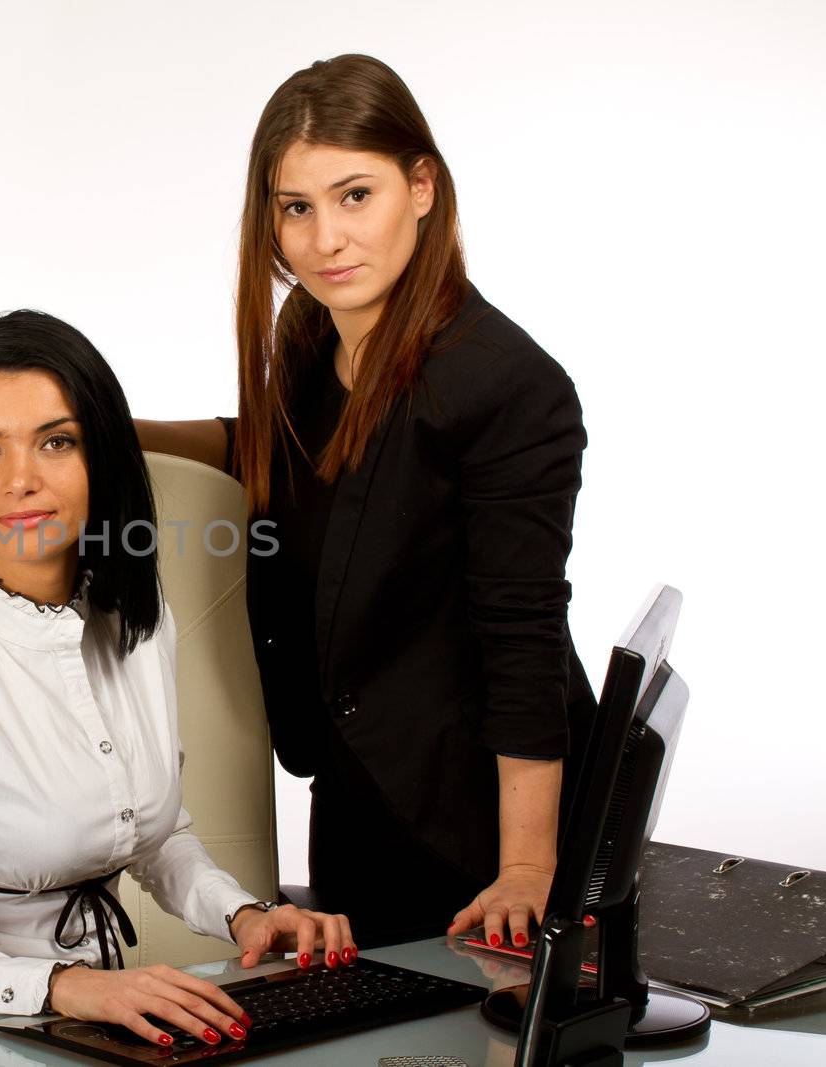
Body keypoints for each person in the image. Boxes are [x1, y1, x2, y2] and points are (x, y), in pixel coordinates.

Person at [136, 54, 598, 951]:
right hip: (354, 787)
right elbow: (272, 447)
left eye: (356, 196)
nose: (326, 239)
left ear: (421, 187)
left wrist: (529, 866)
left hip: (475, 826)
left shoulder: (508, 387)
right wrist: (106, 425)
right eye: (296, 208)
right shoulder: (309, 330)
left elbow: (524, 635)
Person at [0, 310, 356, 1050]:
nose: (22, 479)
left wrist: (247, 915)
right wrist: (57, 984)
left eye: (56, 441)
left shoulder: (138, 618)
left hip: (111, 1024)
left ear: (100, 461)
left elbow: (153, 833)